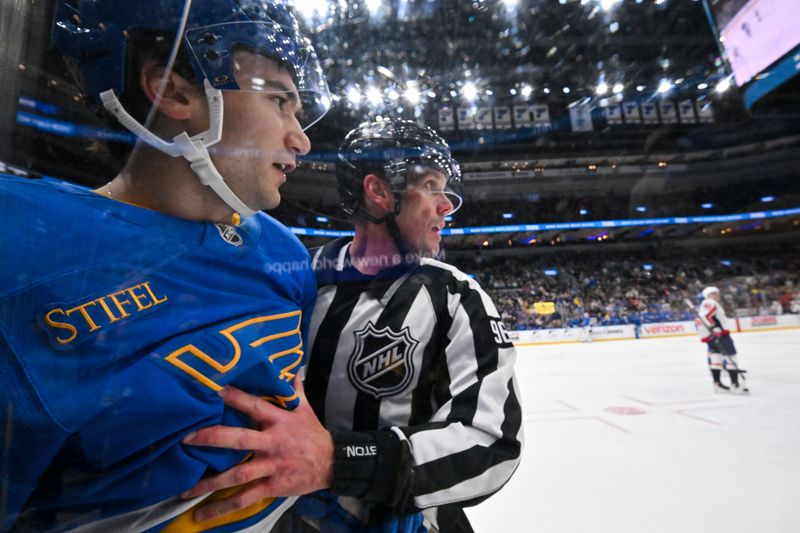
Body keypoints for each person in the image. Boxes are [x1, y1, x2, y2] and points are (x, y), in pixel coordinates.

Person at [0, 1, 332, 530]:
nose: (302, 138)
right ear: (174, 91)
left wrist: (322, 455)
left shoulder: (282, 250)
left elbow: (290, 417)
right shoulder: (21, 246)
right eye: (279, 101)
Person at [182, 119, 523, 531]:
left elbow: (492, 444)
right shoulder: (293, 277)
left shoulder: (455, 297)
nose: (447, 204)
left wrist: (335, 461)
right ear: (379, 191)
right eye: (432, 185)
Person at [697, 286, 749, 394]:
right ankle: (735, 385)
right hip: (720, 335)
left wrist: (708, 334)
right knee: (731, 357)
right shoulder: (710, 302)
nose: (718, 295)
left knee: (716, 359)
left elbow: (702, 319)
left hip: (712, 336)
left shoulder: (707, 303)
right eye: (715, 293)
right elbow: (705, 316)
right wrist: (714, 329)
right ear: (709, 294)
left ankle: (717, 384)